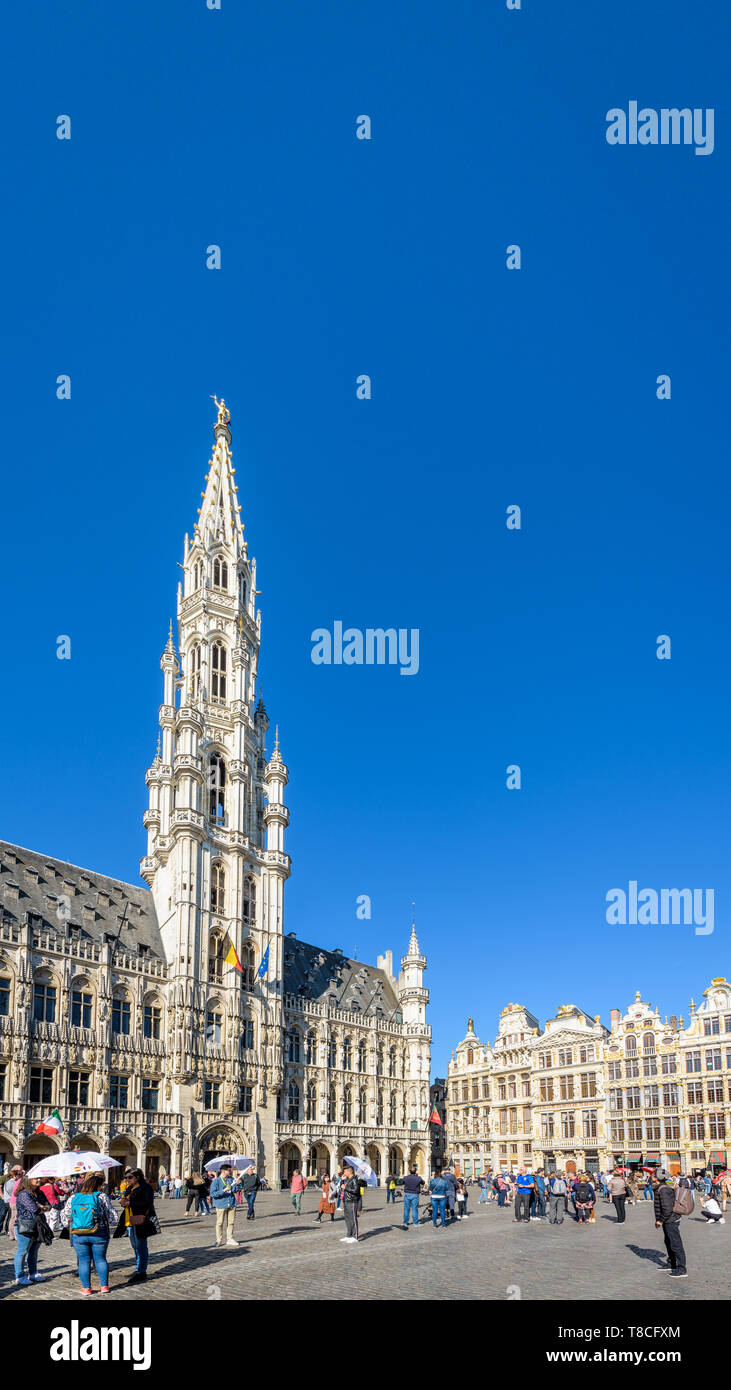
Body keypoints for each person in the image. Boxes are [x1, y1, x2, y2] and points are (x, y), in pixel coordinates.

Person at [62, 1173, 118, 1296]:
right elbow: (113, 1216)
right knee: (100, 1259)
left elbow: (65, 1215)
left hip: (78, 1233)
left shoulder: (73, 1197)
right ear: (98, 1186)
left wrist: (73, 1225)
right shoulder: (102, 1196)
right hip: (99, 1232)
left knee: (83, 1261)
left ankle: (86, 1288)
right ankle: (104, 1286)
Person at [113, 1167, 159, 1282]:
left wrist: (130, 1203)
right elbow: (126, 1199)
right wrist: (123, 1202)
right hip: (129, 1220)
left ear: (137, 1177)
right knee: (135, 1246)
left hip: (140, 1220)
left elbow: (148, 1202)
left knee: (141, 1247)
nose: (127, 1180)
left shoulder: (146, 1187)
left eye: (129, 1177)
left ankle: (141, 1271)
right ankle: (139, 1268)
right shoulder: (129, 1188)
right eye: (125, 1177)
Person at [13, 1175, 50, 1285]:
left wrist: (43, 1207)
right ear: (28, 1180)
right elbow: (34, 1209)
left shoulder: (39, 1192)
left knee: (34, 1251)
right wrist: (42, 1208)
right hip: (25, 1226)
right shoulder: (24, 1194)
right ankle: (19, 1276)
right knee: (22, 1251)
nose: (39, 1180)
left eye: (39, 1178)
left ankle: (33, 1273)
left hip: (38, 1225)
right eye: (36, 1178)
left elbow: (49, 1206)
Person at [653, 1167, 688, 1278]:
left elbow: (667, 1208)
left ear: (657, 1177)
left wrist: (660, 1220)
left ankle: (682, 1268)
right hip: (668, 1220)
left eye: (653, 1175)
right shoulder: (661, 1188)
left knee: (675, 1243)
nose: (651, 1176)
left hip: (671, 1219)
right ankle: (672, 1263)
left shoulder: (663, 1190)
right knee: (668, 1241)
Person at [209, 1163, 241, 1248]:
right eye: (229, 1170)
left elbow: (234, 1190)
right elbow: (212, 1194)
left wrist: (237, 1184)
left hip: (231, 1203)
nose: (230, 1171)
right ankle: (218, 1240)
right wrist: (223, 1190)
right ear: (223, 1171)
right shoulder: (216, 1181)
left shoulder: (231, 1179)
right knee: (219, 1223)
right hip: (221, 1204)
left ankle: (230, 1238)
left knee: (231, 1222)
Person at [339, 1163, 361, 1243]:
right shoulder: (348, 1180)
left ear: (349, 1172)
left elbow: (355, 1190)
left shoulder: (355, 1179)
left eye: (345, 1172)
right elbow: (341, 1186)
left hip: (352, 1201)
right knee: (347, 1218)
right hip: (346, 1200)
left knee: (353, 1219)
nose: (344, 1173)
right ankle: (349, 1235)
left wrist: (346, 1187)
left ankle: (355, 1236)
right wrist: (342, 1180)